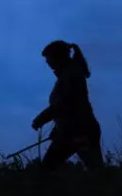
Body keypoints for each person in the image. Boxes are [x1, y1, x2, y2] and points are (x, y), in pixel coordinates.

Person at [31, 40, 104, 171]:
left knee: (96, 171)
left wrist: (40, 119)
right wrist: (58, 128)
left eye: (48, 58)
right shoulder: (68, 74)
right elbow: (68, 109)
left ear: (58, 56)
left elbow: (65, 104)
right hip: (71, 131)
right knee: (48, 169)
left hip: (80, 131)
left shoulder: (72, 74)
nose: (47, 62)